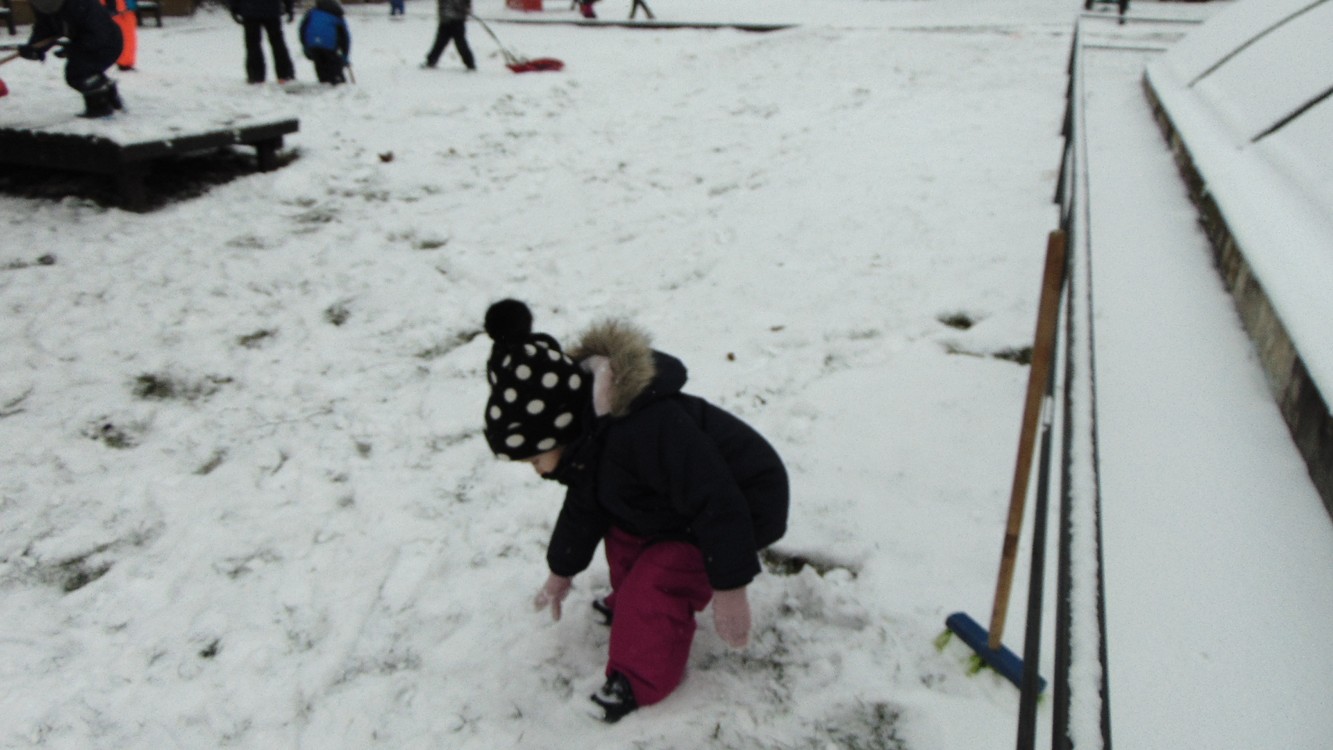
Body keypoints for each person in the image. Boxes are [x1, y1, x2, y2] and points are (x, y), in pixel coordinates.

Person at [481, 300, 790, 723]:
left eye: (535, 459)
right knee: (623, 529)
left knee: (661, 578)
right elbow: (584, 509)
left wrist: (731, 585)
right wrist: (560, 571)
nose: (537, 471)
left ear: (558, 429)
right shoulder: (590, 437)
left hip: (744, 500)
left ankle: (638, 676)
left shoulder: (645, 429)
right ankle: (633, 608)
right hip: (674, 501)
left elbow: (716, 499)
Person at [18, 0, 125, 118]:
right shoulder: (45, 7)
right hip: (87, 42)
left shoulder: (81, 5)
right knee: (80, 71)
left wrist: (73, 49)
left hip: (106, 43)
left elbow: (99, 32)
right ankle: (107, 93)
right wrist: (34, 47)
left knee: (79, 73)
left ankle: (100, 105)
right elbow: (45, 28)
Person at [228, 0, 296, 84]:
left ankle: (256, 76)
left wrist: (234, 8)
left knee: (253, 44)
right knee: (277, 42)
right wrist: (289, 7)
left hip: (250, 10)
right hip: (272, 9)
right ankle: (285, 74)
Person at [299, 0, 350, 85]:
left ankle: (324, 82)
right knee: (335, 70)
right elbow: (344, 38)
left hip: (313, 44)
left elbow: (302, 29)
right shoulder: (337, 16)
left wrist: (305, 46)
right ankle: (337, 81)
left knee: (320, 67)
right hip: (329, 46)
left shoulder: (312, 13)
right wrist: (345, 55)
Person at [422, 0, 474, 71]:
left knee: (457, 42)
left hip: (454, 19)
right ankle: (470, 63)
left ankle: (470, 63)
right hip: (450, 18)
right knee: (443, 42)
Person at [102, 0, 137, 71]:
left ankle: (125, 62)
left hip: (122, 9)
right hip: (119, 9)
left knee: (127, 36)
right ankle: (125, 62)